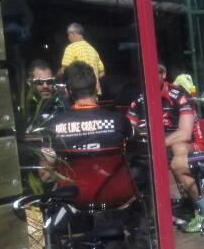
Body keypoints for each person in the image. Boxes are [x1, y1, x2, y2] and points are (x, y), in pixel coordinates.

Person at [127, 64, 204, 233]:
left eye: (152, 74)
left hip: (191, 144)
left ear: (163, 74)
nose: (147, 79)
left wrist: (154, 145)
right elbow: (129, 126)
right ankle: (154, 213)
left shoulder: (178, 95)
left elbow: (185, 133)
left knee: (178, 154)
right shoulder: (140, 98)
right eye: (144, 75)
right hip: (159, 146)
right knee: (137, 158)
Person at [42, 62, 136, 210]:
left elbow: (45, 174)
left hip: (73, 201)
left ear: (67, 91)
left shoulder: (52, 126)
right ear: (97, 87)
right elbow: (134, 151)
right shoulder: (119, 120)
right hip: (117, 198)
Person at [24, 59, 67, 134]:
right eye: (39, 82)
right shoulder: (23, 108)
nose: (45, 86)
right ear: (29, 83)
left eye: (49, 81)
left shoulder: (63, 103)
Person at [60, 23, 105, 93]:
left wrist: (56, 78)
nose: (68, 37)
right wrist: (92, 80)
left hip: (79, 92)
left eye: (68, 35)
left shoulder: (71, 48)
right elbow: (102, 72)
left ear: (72, 34)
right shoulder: (93, 50)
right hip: (94, 92)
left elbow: (64, 70)